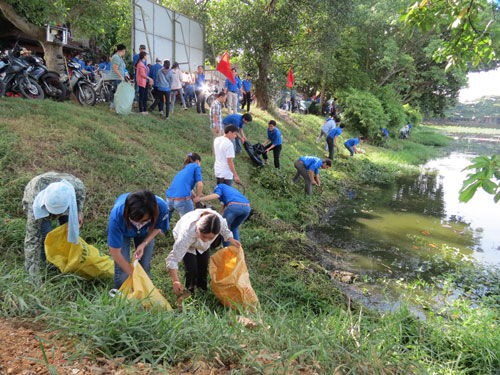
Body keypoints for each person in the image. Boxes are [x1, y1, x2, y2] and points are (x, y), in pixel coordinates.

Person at [23, 172, 85, 278]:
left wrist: (79, 211)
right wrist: (34, 279)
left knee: (70, 229)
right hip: (37, 198)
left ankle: (68, 261)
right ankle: (49, 265)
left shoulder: (77, 187)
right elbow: (32, 241)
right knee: (45, 235)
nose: (55, 215)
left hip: (66, 199)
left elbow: (80, 198)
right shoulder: (34, 203)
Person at [165, 209, 241, 295]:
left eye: (210, 238)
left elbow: (224, 229)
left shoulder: (218, 221)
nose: (206, 240)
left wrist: (231, 239)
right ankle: (190, 293)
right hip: (189, 243)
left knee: (203, 266)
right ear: (198, 228)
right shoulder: (186, 234)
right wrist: (175, 281)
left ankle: (202, 290)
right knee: (191, 269)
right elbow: (173, 259)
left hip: (201, 244)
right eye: (204, 236)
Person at [108, 190, 169, 289]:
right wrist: (134, 275)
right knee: (122, 270)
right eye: (135, 220)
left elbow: (158, 227)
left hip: (147, 231)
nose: (138, 224)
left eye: (144, 221)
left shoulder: (161, 207)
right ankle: (121, 297)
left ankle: (144, 294)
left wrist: (144, 243)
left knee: (144, 265)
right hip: (124, 231)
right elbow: (115, 252)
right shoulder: (117, 215)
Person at [166, 153, 203, 221]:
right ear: (198, 161)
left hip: (169, 198)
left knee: (166, 218)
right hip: (182, 200)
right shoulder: (196, 166)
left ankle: (162, 230)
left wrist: (196, 199)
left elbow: (188, 190)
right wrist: (198, 197)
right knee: (188, 221)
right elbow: (200, 184)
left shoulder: (183, 170)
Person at [109, 44, 127, 112]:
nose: (125, 52)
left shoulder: (119, 57)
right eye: (125, 50)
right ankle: (112, 108)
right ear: (123, 50)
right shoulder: (116, 57)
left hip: (119, 78)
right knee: (117, 93)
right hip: (117, 78)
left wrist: (125, 74)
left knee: (118, 93)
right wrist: (120, 76)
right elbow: (115, 68)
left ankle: (115, 107)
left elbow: (121, 68)